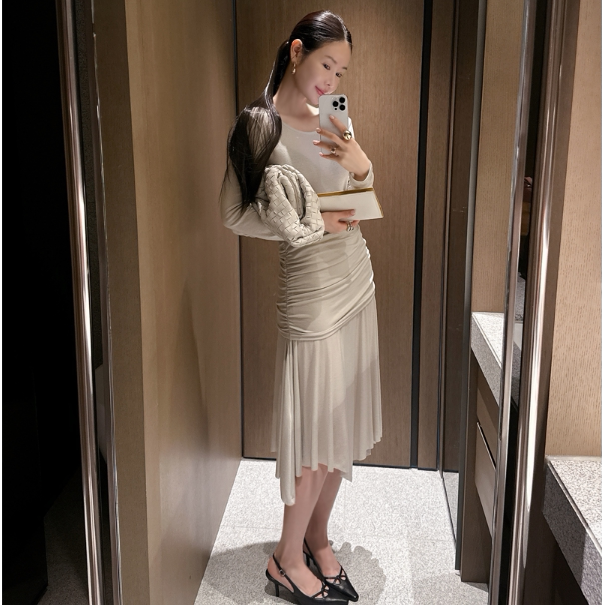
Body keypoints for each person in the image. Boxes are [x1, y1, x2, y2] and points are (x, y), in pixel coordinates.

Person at [220, 10, 382, 604]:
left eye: (340, 73)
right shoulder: (259, 126)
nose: (331, 81)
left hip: (355, 277)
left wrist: (361, 166)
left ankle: (317, 537)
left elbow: (358, 204)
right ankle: (285, 560)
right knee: (314, 431)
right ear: (295, 52)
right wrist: (308, 225)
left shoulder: (334, 119)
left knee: (340, 424)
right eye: (325, 65)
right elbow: (234, 214)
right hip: (310, 290)